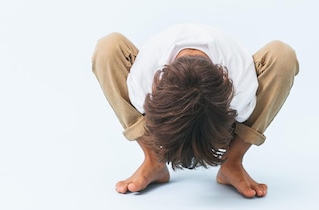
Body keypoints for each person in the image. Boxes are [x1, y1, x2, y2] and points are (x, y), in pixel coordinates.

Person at [91, 23, 299, 198]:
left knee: (282, 56)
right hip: (155, 81)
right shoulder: (143, 77)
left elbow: (235, 115)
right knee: (108, 48)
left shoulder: (241, 84)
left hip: (230, 90)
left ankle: (232, 163)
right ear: (153, 92)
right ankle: (153, 160)